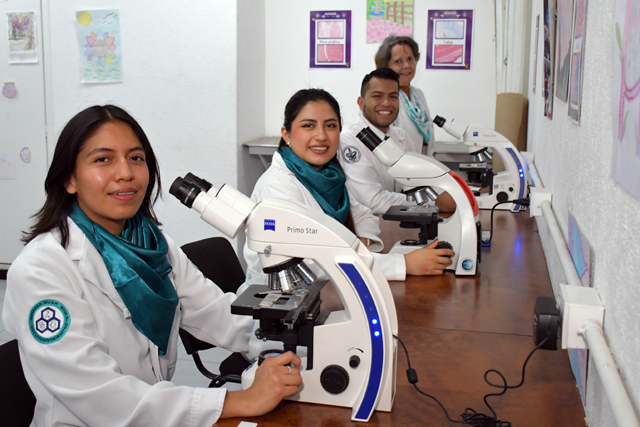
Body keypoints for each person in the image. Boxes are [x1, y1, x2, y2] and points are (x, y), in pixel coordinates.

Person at [2, 105, 302, 426]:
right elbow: (100, 397)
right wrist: (239, 399)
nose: (125, 173)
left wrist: (290, 345)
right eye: (103, 159)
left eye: (136, 157)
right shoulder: (41, 270)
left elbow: (217, 314)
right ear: (69, 179)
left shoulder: (154, 246)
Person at [243, 89, 454, 287]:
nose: (321, 136)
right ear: (286, 134)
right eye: (308, 126)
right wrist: (403, 264)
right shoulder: (277, 188)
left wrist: (360, 244)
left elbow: (363, 215)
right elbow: (310, 264)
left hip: (330, 290)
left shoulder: (329, 176)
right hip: (277, 302)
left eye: (330, 125)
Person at [339, 68, 456, 217]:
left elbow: (421, 179)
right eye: (377, 96)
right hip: (364, 225)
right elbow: (374, 201)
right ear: (361, 103)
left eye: (393, 97)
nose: (386, 103)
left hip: (397, 223)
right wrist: (435, 202)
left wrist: (451, 193)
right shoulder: (349, 139)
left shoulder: (401, 136)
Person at [375, 35, 435, 156]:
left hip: (422, 164)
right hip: (397, 165)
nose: (406, 65)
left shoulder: (418, 95)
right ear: (386, 66)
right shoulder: (382, 99)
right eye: (398, 61)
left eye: (410, 59)